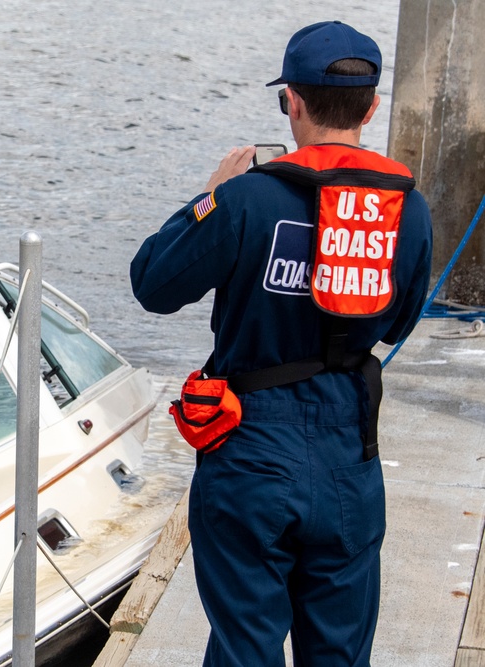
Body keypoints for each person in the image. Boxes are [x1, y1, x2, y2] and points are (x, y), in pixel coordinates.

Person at [130, 21, 433, 667]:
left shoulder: (246, 200)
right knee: (341, 651)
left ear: (290, 102)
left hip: (252, 448)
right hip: (351, 446)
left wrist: (209, 195)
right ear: (372, 106)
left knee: (245, 646)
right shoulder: (409, 208)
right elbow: (402, 320)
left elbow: (154, 284)